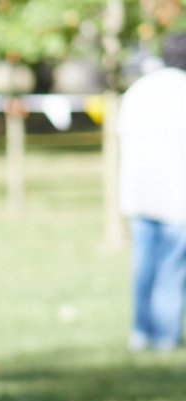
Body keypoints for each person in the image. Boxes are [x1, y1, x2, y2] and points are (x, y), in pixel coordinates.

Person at [118, 33, 186, 351]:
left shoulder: (139, 89)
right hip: (177, 195)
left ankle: (140, 331)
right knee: (172, 267)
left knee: (143, 266)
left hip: (139, 191)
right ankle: (165, 337)